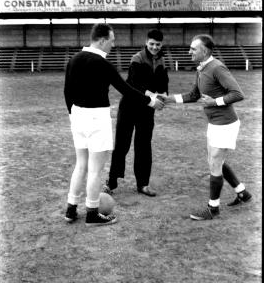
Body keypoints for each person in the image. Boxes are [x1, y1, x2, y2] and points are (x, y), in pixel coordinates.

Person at [64, 23, 164, 227]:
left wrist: (72, 114)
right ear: (101, 40)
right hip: (96, 118)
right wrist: (150, 101)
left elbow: (67, 92)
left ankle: (71, 209)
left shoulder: (73, 59)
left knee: (80, 165)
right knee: (94, 170)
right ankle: (92, 213)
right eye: (111, 40)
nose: (113, 44)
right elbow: (126, 89)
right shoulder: (102, 63)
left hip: (77, 116)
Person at [162, 34, 252, 220]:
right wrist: (169, 99)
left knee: (215, 163)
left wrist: (215, 102)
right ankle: (242, 193)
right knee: (215, 160)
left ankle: (213, 208)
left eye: (193, 49)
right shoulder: (201, 69)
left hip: (225, 123)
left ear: (205, 51)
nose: (189, 52)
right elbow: (194, 95)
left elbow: (237, 93)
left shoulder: (217, 67)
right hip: (214, 123)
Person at [104, 29, 169, 197]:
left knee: (144, 146)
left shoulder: (161, 60)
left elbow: (163, 82)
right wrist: (151, 95)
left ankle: (143, 184)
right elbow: (132, 83)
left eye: (158, 45)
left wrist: (163, 93)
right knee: (121, 146)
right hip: (130, 107)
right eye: (152, 44)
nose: (154, 47)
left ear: (161, 44)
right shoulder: (137, 58)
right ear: (146, 43)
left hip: (147, 110)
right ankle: (111, 183)